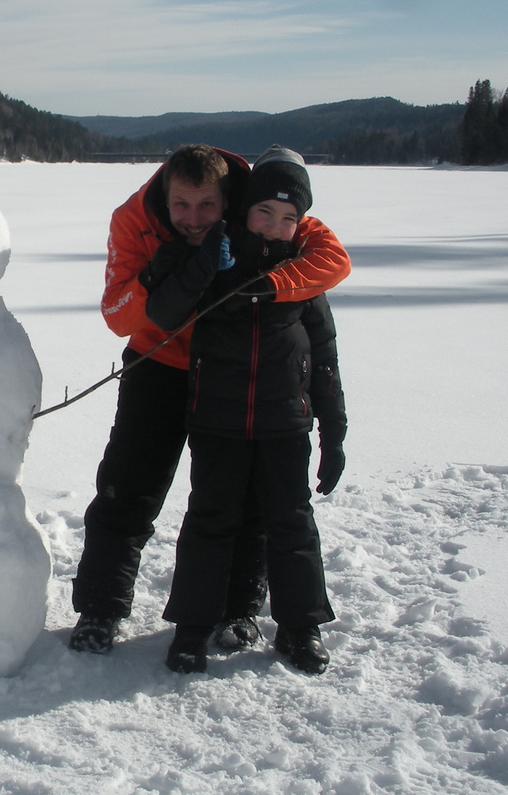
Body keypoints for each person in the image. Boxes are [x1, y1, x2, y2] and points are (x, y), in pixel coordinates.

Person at [68, 144, 350, 655]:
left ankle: (239, 608)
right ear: (165, 196)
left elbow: (331, 259)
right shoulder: (134, 219)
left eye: (207, 207)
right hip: (160, 361)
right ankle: (100, 607)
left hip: (233, 373)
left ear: (229, 200)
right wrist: (156, 278)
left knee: (242, 502)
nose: (194, 219)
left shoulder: (260, 204)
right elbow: (117, 315)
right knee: (128, 487)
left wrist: (271, 286)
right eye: (182, 206)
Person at [160, 146, 347, 675]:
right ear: (244, 210)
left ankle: (299, 627)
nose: (274, 226)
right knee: (210, 523)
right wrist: (205, 264)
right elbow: (165, 310)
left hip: (285, 425)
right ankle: (192, 628)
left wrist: (333, 431)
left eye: (289, 218)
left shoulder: (302, 276)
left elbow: (325, 359)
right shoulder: (214, 261)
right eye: (265, 211)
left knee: (291, 524)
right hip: (217, 423)